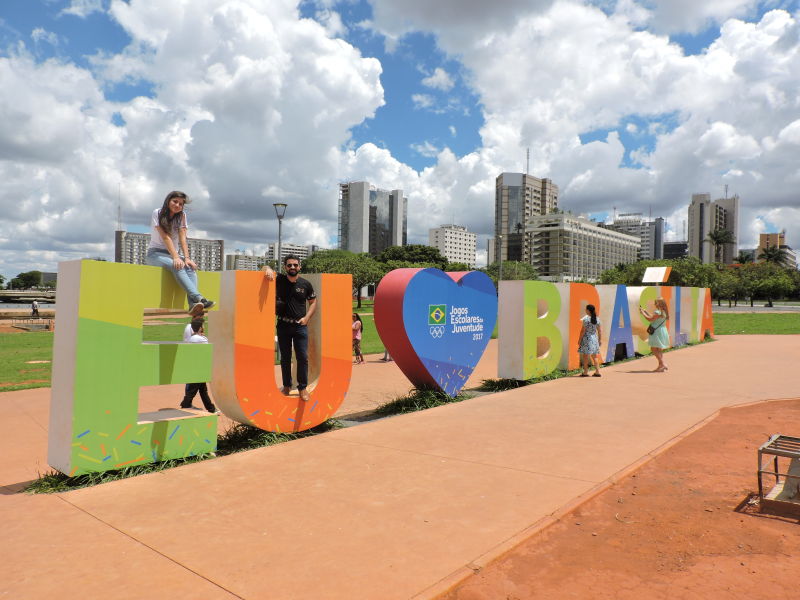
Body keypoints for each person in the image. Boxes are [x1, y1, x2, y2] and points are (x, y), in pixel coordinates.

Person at [145, 190, 215, 317]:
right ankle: (199, 298)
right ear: (168, 201)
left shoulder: (182, 216)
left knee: (190, 267)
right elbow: (165, 237)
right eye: (175, 201)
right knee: (177, 265)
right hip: (155, 253)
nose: (177, 205)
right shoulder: (158, 213)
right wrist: (176, 257)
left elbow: (183, 238)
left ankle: (193, 305)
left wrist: (187, 258)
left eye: (181, 204)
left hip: (172, 254)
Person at [262, 255, 317, 401]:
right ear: (285, 267)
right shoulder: (279, 280)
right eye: (289, 265)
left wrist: (307, 318)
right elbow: (264, 268)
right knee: (285, 357)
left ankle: (302, 388)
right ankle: (286, 386)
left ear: (299, 266)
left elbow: (313, 302)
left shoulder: (305, 284)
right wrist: (267, 268)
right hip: (283, 325)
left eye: (295, 265)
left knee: (302, 357)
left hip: (300, 326)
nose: (292, 267)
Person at [180, 319, 218, 413]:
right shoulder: (201, 339)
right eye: (203, 326)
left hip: (195, 366)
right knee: (194, 390)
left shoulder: (191, 338)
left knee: (202, 389)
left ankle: (211, 408)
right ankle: (186, 404)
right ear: (200, 328)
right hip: (200, 368)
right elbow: (208, 349)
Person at [639, 297, 671, 372]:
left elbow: (650, 319)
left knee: (653, 348)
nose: (655, 304)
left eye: (656, 303)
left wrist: (643, 313)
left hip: (656, 332)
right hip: (662, 330)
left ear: (658, 304)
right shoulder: (664, 312)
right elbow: (653, 317)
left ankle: (662, 363)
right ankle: (660, 366)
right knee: (659, 349)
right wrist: (645, 312)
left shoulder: (658, 312)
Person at [577, 304, 602, 377]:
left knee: (585, 356)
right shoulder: (597, 319)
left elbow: (583, 331)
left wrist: (579, 339)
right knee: (594, 356)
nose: (585, 310)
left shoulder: (586, 319)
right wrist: (600, 340)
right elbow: (599, 331)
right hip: (594, 338)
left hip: (587, 339)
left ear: (588, 310)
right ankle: (597, 372)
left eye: (586, 309)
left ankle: (585, 372)